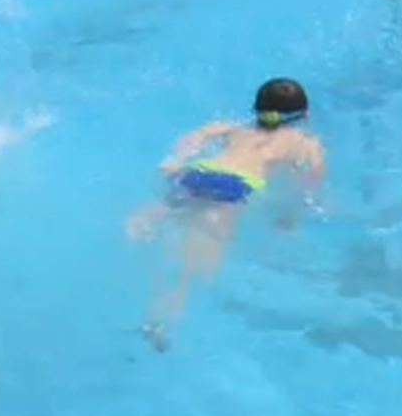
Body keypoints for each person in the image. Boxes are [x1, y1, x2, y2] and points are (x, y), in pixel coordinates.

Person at [127, 78, 326, 351]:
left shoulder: (232, 127)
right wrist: (295, 215)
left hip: (198, 172)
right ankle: (161, 323)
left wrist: (174, 160)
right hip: (235, 186)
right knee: (193, 264)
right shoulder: (305, 143)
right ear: (304, 115)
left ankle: (143, 223)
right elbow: (310, 186)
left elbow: (193, 138)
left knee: (173, 210)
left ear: (257, 108)